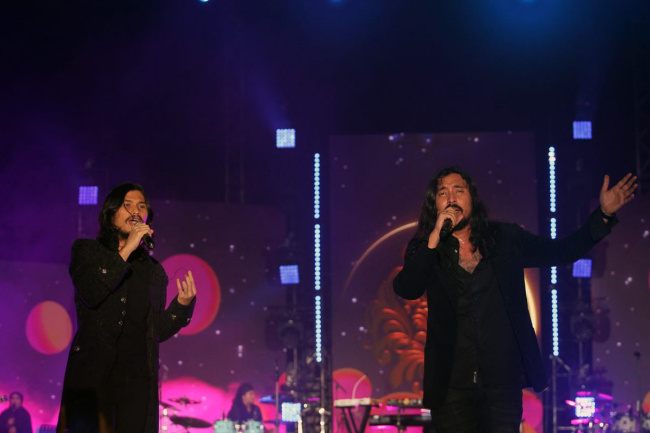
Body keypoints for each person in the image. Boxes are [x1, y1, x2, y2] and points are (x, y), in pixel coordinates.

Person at [393, 166, 637, 433]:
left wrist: (603, 215)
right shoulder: (426, 249)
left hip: (502, 382)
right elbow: (408, 289)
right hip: (451, 386)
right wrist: (433, 240)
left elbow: (563, 251)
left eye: (458, 190)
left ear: (472, 197)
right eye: (442, 193)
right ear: (435, 204)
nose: (451, 198)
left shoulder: (505, 239)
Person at [56, 183, 197, 433]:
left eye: (141, 206)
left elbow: (155, 331)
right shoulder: (87, 251)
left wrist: (182, 306)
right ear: (111, 214)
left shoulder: (154, 271)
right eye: (127, 205)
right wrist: (128, 247)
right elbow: (91, 292)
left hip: (136, 385)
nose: (135, 211)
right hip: (93, 380)